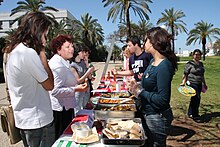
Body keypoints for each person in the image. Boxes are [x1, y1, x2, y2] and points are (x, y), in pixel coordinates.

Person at [4, 12, 55, 147]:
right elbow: (50, 85)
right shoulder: (28, 53)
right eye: (45, 33)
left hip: (25, 119)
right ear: (37, 31)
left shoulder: (13, 50)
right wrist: (43, 57)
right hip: (38, 121)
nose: (46, 38)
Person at [129, 27, 178, 146]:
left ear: (153, 42)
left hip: (157, 118)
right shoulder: (152, 62)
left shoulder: (164, 66)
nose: (144, 43)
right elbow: (150, 84)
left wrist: (140, 92)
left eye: (146, 40)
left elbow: (162, 99)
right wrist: (137, 85)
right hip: (147, 113)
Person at [48, 34, 88, 140]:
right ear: (58, 49)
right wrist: (76, 89)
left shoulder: (64, 62)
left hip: (66, 107)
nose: (71, 49)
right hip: (60, 110)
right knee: (62, 137)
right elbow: (55, 91)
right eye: (67, 47)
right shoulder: (58, 65)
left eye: (72, 46)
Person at [180, 49, 207, 122]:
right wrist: (183, 82)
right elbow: (185, 74)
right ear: (193, 55)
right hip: (192, 83)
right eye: (196, 54)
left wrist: (204, 83)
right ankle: (195, 115)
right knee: (196, 98)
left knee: (194, 98)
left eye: (198, 54)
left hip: (199, 83)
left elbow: (202, 75)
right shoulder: (190, 63)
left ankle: (190, 113)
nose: (197, 56)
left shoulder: (201, 64)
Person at [70, 44, 95, 113]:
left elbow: (89, 77)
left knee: (85, 109)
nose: (84, 54)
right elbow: (78, 81)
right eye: (82, 52)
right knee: (78, 112)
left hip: (86, 90)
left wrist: (87, 64)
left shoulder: (83, 62)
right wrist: (88, 71)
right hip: (79, 92)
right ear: (78, 53)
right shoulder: (72, 66)